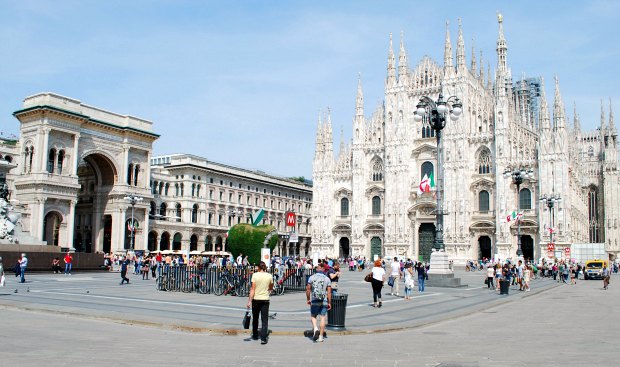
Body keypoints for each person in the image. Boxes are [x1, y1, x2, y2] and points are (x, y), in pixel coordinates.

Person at [247, 261, 273, 344]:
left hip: (256, 299)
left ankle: (255, 334)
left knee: (255, 318)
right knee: (264, 319)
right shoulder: (269, 276)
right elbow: (270, 287)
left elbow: (252, 289)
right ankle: (263, 338)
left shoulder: (255, 275)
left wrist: (249, 301)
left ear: (258, 267)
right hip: (265, 299)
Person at [306, 262, 332, 342]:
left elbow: (308, 289)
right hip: (323, 300)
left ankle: (315, 328)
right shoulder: (327, 279)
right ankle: (321, 337)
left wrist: (308, 299)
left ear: (317, 269)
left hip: (314, 299)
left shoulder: (311, 277)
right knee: (323, 317)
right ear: (324, 269)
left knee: (313, 316)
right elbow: (329, 292)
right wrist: (329, 302)